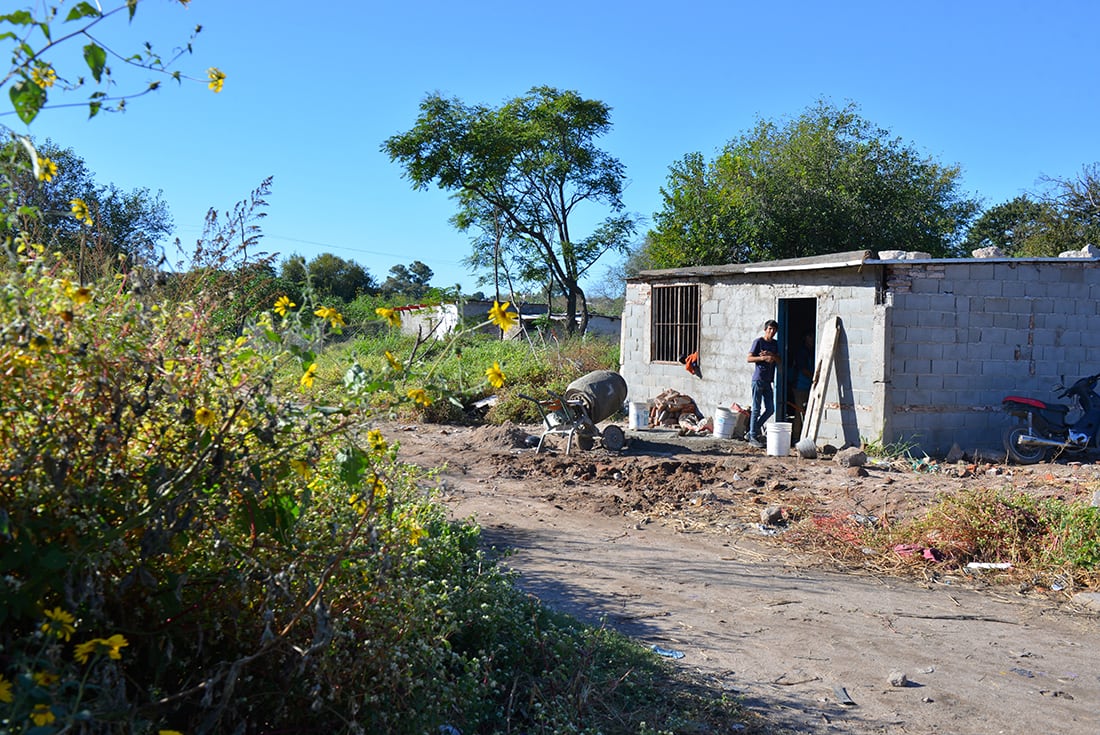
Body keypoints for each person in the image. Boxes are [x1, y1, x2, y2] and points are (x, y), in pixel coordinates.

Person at [746, 319, 780, 447]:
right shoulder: (758, 342)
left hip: (768, 380)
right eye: (770, 329)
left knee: (770, 409)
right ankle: (753, 437)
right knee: (756, 409)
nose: (772, 332)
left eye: (774, 330)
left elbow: (779, 359)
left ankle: (751, 431)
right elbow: (749, 358)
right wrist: (763, 358)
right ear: (765, 330)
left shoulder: (775, 344)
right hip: (758, 379)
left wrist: (771, 355)